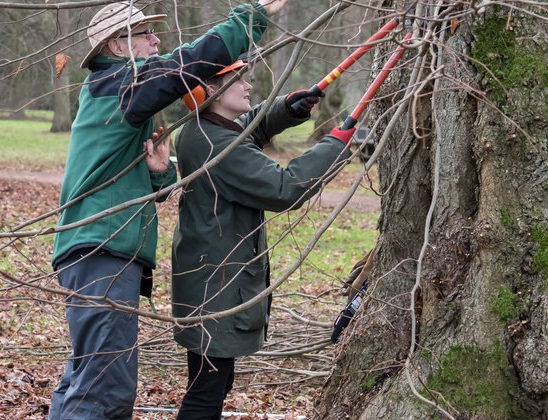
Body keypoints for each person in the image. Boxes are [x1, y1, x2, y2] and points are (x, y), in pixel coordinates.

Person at [49, 1, 290, 418]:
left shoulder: (115, 94)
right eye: (145, 33)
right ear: (118, 46)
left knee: (88, 377)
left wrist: (158, 176)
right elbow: (189, 64)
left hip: (98, 253)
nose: (156, 40)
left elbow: (115, 180)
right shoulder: (119, 85)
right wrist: (251, 17)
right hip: (99, 255)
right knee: (104, 388)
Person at [171, 61, 356, 418]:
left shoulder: (204, 129)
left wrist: (285, 110)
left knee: (213, 385)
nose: (247, 84)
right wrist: (334, 145)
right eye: (236, 79)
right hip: (215, 287)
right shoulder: (214, 144)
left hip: (207, 282)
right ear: (209, 91)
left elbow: (245, 130)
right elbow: (284, 188)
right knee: (206, 393)